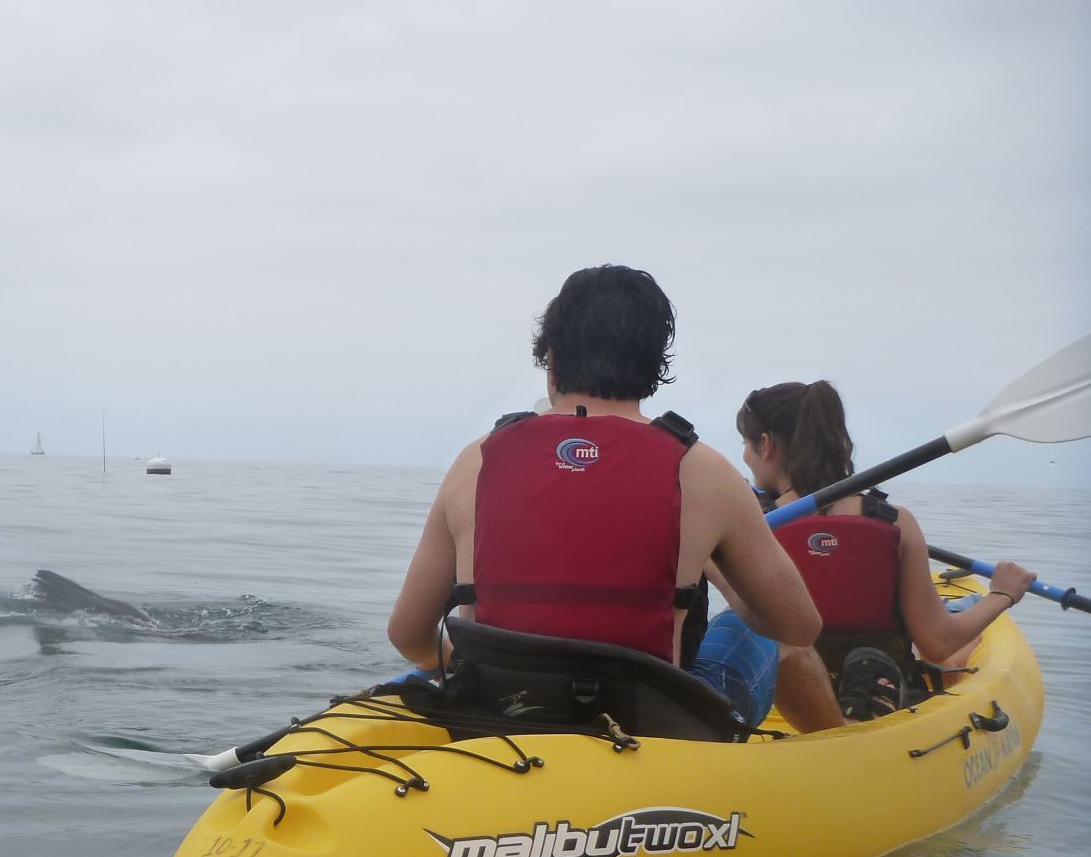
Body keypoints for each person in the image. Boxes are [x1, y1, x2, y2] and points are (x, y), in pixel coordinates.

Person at [388, 265, 822, 730]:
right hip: (646, 731)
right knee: (744, 631)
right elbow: (798, 627)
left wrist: (460, 674)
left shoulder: (476, 461)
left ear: (551, 360)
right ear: (656, 365)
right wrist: (714, 566)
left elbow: (409, 633)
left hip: (500, 721)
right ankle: (837, 747)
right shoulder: (706, 472)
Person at [735, 380, 1036, 717]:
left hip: (791, 695)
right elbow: (937, 643)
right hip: (888, 686)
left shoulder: (753, 528)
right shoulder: (895, 522)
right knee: (964, 650)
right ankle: (873, 684)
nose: (744, 455)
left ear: (765, 444)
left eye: (745, 442)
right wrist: (1002, 594)